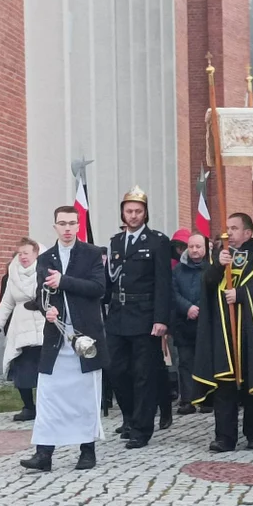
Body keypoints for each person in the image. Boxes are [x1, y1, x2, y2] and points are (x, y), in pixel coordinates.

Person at [21, 206, 109, 472]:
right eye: (62, 223)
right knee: (49, 395)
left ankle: (87, 450)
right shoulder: (46, 257)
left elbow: (98, 289)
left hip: (85, 339)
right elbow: (41, 293)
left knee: (84, 396)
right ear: (55, 227)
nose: (67, 228)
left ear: (79, 226)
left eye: (72, 223)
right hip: (57, 338)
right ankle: (44, 453)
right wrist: (47, 309)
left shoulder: (92, 254)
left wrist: (64, 281)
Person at [193, 213, 253, 451]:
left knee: (252, 383)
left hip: (250, 331)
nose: (229, 233)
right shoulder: (221, 255)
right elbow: (207, 285)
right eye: (227, 228)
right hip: (224, 330)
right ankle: (225, 437)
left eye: (234, 228)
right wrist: (217, 266)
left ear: (247, 233)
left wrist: (242, 295)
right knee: (224, 384)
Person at [106, 186, 173, 449]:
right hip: (118, 315)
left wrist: (161, 318)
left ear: (145, 214)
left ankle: (141, 428)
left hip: (145, 315)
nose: (133, 216)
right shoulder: (115, 242)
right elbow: (110, 280)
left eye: (138, 211)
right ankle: (131, 417)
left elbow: (163, 284)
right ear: (122, 213)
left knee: (143, 374)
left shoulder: (157, 241)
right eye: (129, 211)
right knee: (115, 369)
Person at [0, 238, 45, 422]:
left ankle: (47, 407)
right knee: (21, 368)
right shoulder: (13, 273)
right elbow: (7, 302)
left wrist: (42, 304)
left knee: (44, 370)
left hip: (43, 326)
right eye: (20, 253)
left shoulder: (45, 270)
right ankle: (28, 407)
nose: (23, 257)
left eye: (26, 253)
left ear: (36, 253)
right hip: (20, 326)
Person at [172, 232, 207, 415]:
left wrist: (199, 308)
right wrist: (187, 308)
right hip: (183, 322)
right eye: (191, 246)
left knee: (206, 360)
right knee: (185, 362)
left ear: (205, 248)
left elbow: (213, 291)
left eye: (198, 246)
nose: (194, 250)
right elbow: (173, 291)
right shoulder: (178, 269)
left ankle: (206, 399)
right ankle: (188, 399)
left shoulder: (211, 268)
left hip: (205, 324)